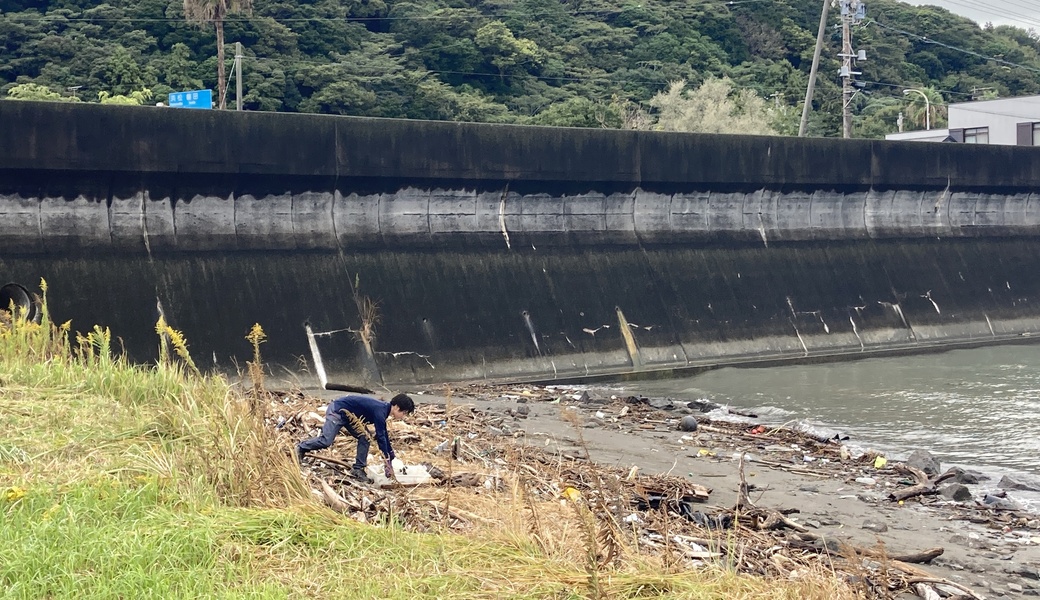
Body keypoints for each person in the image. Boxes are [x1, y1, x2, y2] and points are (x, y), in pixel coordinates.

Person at [296, 393, 415, 482]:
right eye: (404, 413)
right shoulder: (380, 411)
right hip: (338, 411)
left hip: (351, 417)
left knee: (365, 437)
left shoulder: (384, 410)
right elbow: (380, 436)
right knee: (326, 441)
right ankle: (301, 448)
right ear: (396, 407)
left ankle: (358, 469)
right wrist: (386, 460)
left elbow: (384, 434)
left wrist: (390, 453)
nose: (403, 416)